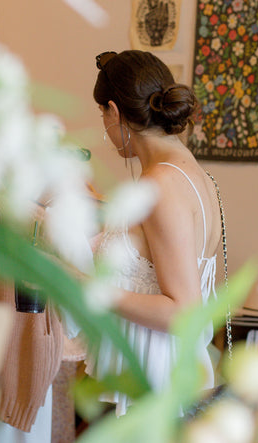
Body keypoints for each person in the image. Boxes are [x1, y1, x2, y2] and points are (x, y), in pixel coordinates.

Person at [86, 50, 223, 415]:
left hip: (153, 390)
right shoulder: (193, 176)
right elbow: (152, 250)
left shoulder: (160, 186)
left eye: (102, 114)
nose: (105, 128)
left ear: (114, 111)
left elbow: (182, 312)